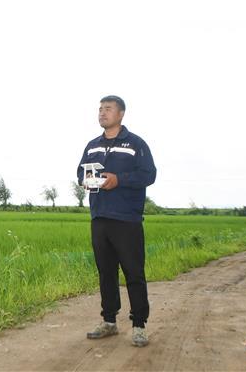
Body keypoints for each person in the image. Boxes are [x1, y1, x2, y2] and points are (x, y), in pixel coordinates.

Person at [77, 95, 156, 347]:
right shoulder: (92, 145)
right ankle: (109, 321)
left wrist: (118, 179)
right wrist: (85, 179)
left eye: (108, 109)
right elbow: (80, 171)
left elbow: (148, 174)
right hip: (99, 217)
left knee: (134, 273)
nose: (102, 113)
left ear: (121, 114)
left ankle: (139, 325)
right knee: (106, 273)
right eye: (100, 109)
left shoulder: (136, 144)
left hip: (127, 219)